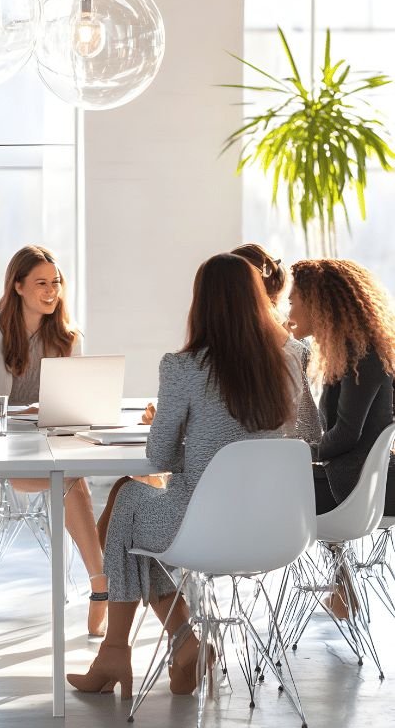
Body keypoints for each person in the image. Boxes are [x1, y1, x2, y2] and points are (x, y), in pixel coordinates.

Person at [68, 253, 300, 700]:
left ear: (202, 304)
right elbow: (301, 437)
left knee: (129, 502)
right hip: (275, 527)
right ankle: (180, 644)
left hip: (202, 526)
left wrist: (182, 433)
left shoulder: (184, 367)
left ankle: (122, 650)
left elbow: (159, 456)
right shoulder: (286, 363)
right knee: (137, 526)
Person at [0, 244, 108, 636]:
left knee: (72, 475)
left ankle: (101, 586)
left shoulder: (69, 336)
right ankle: (101, 584)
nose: (51, 290)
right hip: (9, 448)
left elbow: (77, 405)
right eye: (41, 283)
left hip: (55, 442)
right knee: (70, 479)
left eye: (56, 282)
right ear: (18, 286)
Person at [288, 259, 395, 519]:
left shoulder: (361, 357)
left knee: (271, 490)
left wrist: (295, 452)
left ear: (316, 304)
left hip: (361, 489)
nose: (288, 311)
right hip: (354, 481)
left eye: (292, 302)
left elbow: (346, 435)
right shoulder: (347, 354)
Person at [231, 243, 322, 443]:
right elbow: (310, 432)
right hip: (282, 456)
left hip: (237, 457)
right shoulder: (295, 346)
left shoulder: (221, 353)